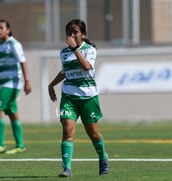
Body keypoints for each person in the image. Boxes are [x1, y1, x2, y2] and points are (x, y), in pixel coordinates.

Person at [48, 19, 109, 177]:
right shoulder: (64, 53)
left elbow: (86, 66)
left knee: (93, 133)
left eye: (75, 32)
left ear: (83, 34)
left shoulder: (90, 50)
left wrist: (75, 49)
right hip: (69, 96)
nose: (72, 35)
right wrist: (51, 85)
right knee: (67, 130)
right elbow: (65, 72)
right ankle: (66, 168)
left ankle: (103, 158)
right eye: (69, 32)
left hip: (88, 97)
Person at [0, 19, 32, 154]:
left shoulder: (14, 44)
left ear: (8, 30)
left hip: (12, 83)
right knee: (12, 113)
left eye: (1, 28)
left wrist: (27, 81)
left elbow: (23, 62)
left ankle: (1, 144)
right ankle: (20, 145)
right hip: (4, 83)